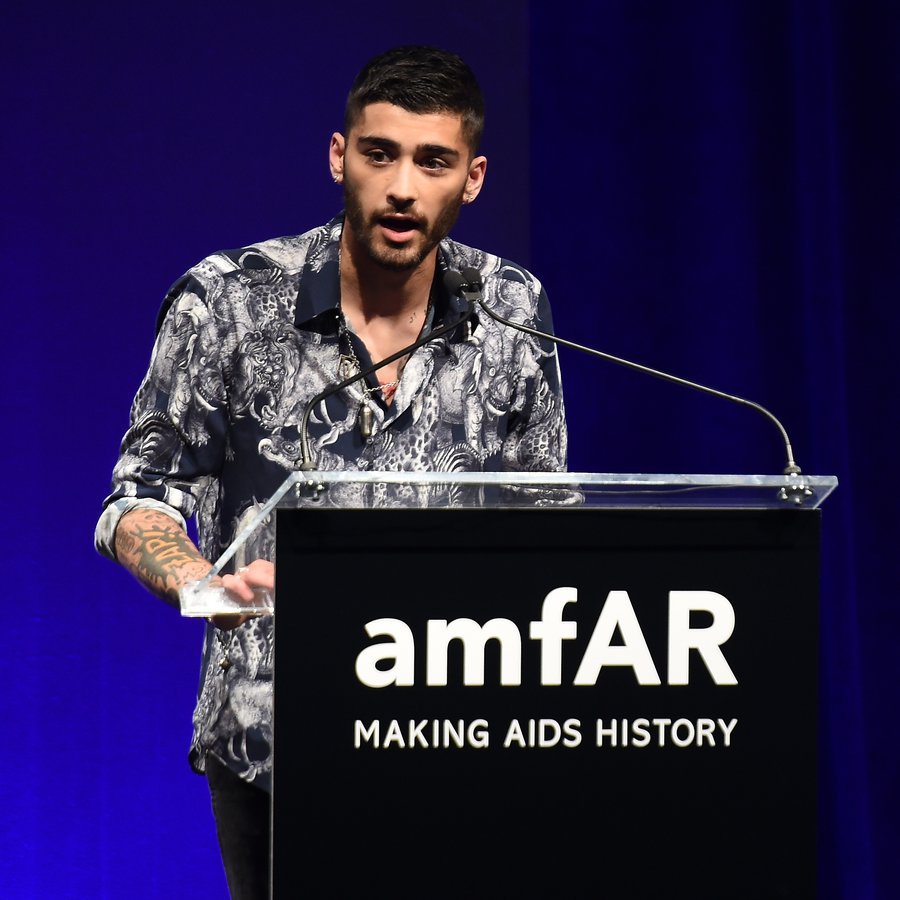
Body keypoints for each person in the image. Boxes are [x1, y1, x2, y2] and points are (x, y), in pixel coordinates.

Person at [95, 45, 566, 898]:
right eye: (380, 153)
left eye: (434, 162)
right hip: (276, 748)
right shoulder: (230, 302)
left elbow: (543, 520)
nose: (401, 188)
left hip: (457, 744)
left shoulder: (512, 309)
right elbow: (139, 499)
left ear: (474, 178)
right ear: (339, 154)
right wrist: (203, 584)